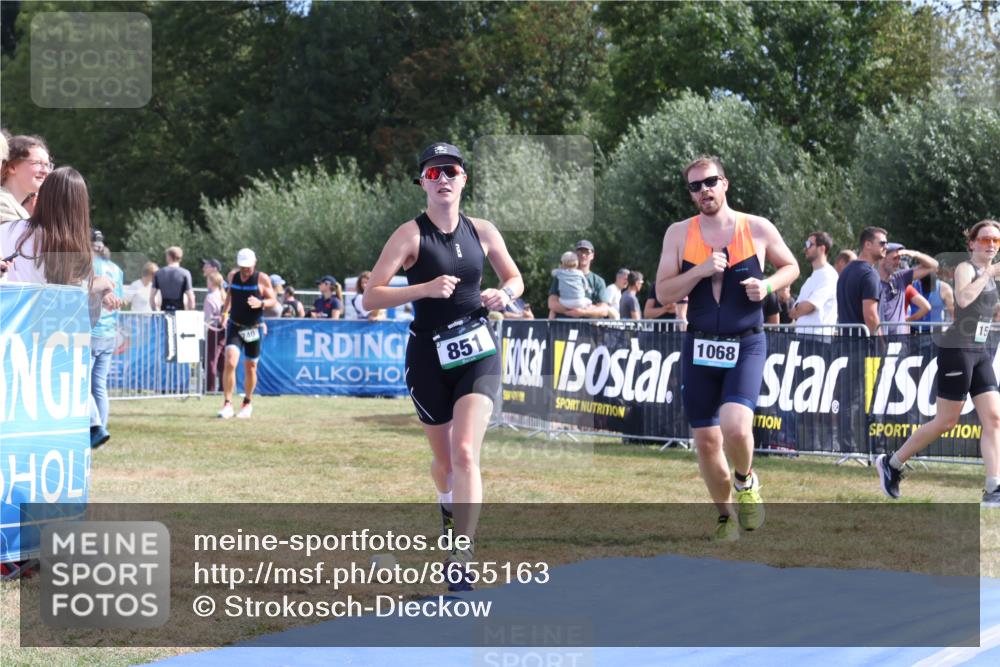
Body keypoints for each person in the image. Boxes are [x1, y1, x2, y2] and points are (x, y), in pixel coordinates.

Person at [363, 141, 523, 591]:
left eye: (450, 171)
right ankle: (446, 507)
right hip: (427, 356)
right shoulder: (409, 235)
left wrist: (504, 294)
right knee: (444, 463)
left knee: (466, 452)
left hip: (478, 349)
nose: (443, 179)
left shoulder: (484, 231)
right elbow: (370, 296)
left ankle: (462, 557)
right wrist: (423, 288)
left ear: (464, 178)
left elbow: (514, 276)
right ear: (422, 184)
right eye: (433, 174)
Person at [654, 155, 799, 540]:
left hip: (746, 342)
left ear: (725, 183)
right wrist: (699, 271)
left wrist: (767, 286)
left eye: (709, 182)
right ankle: (724, 517)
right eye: (695, 186)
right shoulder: (679, 234)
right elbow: (663, 291)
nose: (703, 191)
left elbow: (791, 266)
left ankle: (746, 480)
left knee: (735, 427)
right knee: (706, 440)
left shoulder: (756, 227)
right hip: (698, 343)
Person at [877, 220, 1000, 507]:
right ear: (972, 243)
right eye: (985, 239)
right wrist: (990, 273)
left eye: (996, 240)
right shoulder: (966, 269)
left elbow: (988, 310)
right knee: (946, 421)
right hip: (957, 348)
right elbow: (964, 298)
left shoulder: (991, 275)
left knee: (994, 418)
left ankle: (994, 488)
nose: (991, 245)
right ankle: (892, 464)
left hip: (980, 350)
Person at [0, 167, 121, 447]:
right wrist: (98, 286)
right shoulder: (69, 248)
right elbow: (75, 313)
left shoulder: (7, 231)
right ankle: (92, 423)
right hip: (45, 347)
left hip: (8, 335)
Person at [218, 248, 277, 419]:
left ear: (254, 263)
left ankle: (247, 403)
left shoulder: (262, 278)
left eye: (249, 266)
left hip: (253, 327)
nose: (246, 270)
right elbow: (230, 296)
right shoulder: (233, 276)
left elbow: (273, 300)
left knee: (250, 366)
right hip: (235, 325)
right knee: (230, 361)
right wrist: (224, 313)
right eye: (243, 266)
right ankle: (227, 404)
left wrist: (261, 303)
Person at [89, 230, 124, 440]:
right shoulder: (116, 269)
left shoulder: (89, 266)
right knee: (99, 385)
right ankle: (101, 427)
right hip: (110, 330)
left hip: (92, 328)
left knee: (85, 384)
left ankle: (96, 429)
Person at [877, 242, 938, 335]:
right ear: (882, 258)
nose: (898, 263)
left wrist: (915, 254)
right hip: (878, 340)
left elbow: (934, 266)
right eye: (894, 258)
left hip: (899, 341)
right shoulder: (871, 280)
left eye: (899, 258)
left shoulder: (900, 277)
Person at [837, 227, 887, 336]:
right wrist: (881, 342)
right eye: (882, 243)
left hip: (844, 344)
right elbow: (870, 315)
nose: (886, 247)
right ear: (868, 244)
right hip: (863, 346)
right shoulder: (869, 274)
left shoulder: (845, 271)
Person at [547, 240, 616, 319]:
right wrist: (571, 312)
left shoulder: (598, 281)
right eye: (580, 252)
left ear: (592, 255)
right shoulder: (561, 276)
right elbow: (552, 303)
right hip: (563, 327)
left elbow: (604, 310)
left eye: (587, 252)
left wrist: (583, 312)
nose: (583, 255)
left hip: (588, 329)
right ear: (575, 255)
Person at [790, 231, 839, 334]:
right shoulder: (811, 279)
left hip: (818, 339)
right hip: (804, 337)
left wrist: (799, 307)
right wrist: (799, 307)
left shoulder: (829, 275)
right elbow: (792, 313)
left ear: (822, 248)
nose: (805, 248)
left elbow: (808, 307)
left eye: (809, 244)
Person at [0, 135, 51, 223]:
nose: (46, 171)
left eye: (47, 165)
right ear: (12, 167)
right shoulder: (2, 204)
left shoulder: (17, 209)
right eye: (37, 163)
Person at [548, 250, 591, 318]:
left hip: (564, 302)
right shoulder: (580, 273)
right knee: (590, 303)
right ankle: (594, 321)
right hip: (579, 302)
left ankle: (549, 323)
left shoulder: (559, 273)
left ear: (563, 263)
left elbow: (552, 272)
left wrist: (560, 268)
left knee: (553, 309)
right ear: (577, 263)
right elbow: (586, 285)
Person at [151, 246, 195, 312]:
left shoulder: (158, 273)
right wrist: (190, 312)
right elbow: (191, 297)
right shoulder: (185, 273)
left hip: (164, 311)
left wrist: (154, 311)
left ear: (169, 257)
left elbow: (152, 297)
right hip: (179, 313)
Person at [203, 271, 227, 392]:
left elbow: (208, 317)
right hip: (224, 330)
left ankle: (210, 388)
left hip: (213, 329)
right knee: (223, 360)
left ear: (212, 282)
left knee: (212, 360)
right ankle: (223, 387)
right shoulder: (223, 295)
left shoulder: (210, 297)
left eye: (208, 280)